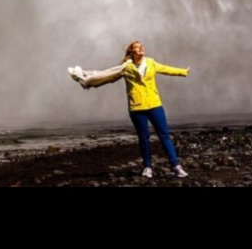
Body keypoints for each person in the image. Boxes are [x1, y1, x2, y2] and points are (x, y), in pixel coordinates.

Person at [68, 41, 190, 178]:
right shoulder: (126, 68)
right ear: (132, 52)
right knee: (143, 139)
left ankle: (176, 166)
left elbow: (167, 69)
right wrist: (90, 83)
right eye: (138, 47)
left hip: (155, 105)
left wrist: (183, 72)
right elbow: (108, 77)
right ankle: (147, 167)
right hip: (137, 108)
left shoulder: (151, 63)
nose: (141, 48)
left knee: (165, 136)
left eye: (142, 46)